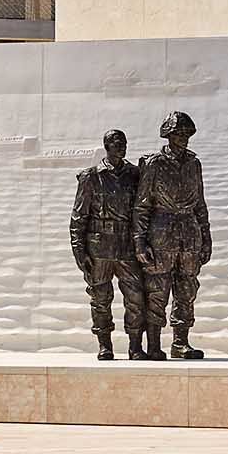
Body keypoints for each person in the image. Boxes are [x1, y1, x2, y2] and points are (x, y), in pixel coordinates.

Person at [133, 111, 211, 360]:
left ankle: (180, 342)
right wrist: (139, 241)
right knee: (157, 289)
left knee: (187, 288)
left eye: (187, 133)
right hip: (160, 231)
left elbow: (200, 203)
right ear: (168, 135)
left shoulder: (194, 163)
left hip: (189, 233)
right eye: (179, 133)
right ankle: (154, 344)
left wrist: (206, 237)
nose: (184, 138)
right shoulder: (154, 163)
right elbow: (142, 205)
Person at [68, 128, 138, 361]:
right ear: (106, 146)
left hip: (127, 246)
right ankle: (104, 345)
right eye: (117, 143)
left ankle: (135, 347)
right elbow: (78, 218)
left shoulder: (135, 175)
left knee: (135, 297)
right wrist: (79, 251)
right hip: (99, 248)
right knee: (100, 298)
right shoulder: (91, 176)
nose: (122, 147)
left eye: (124, 143)